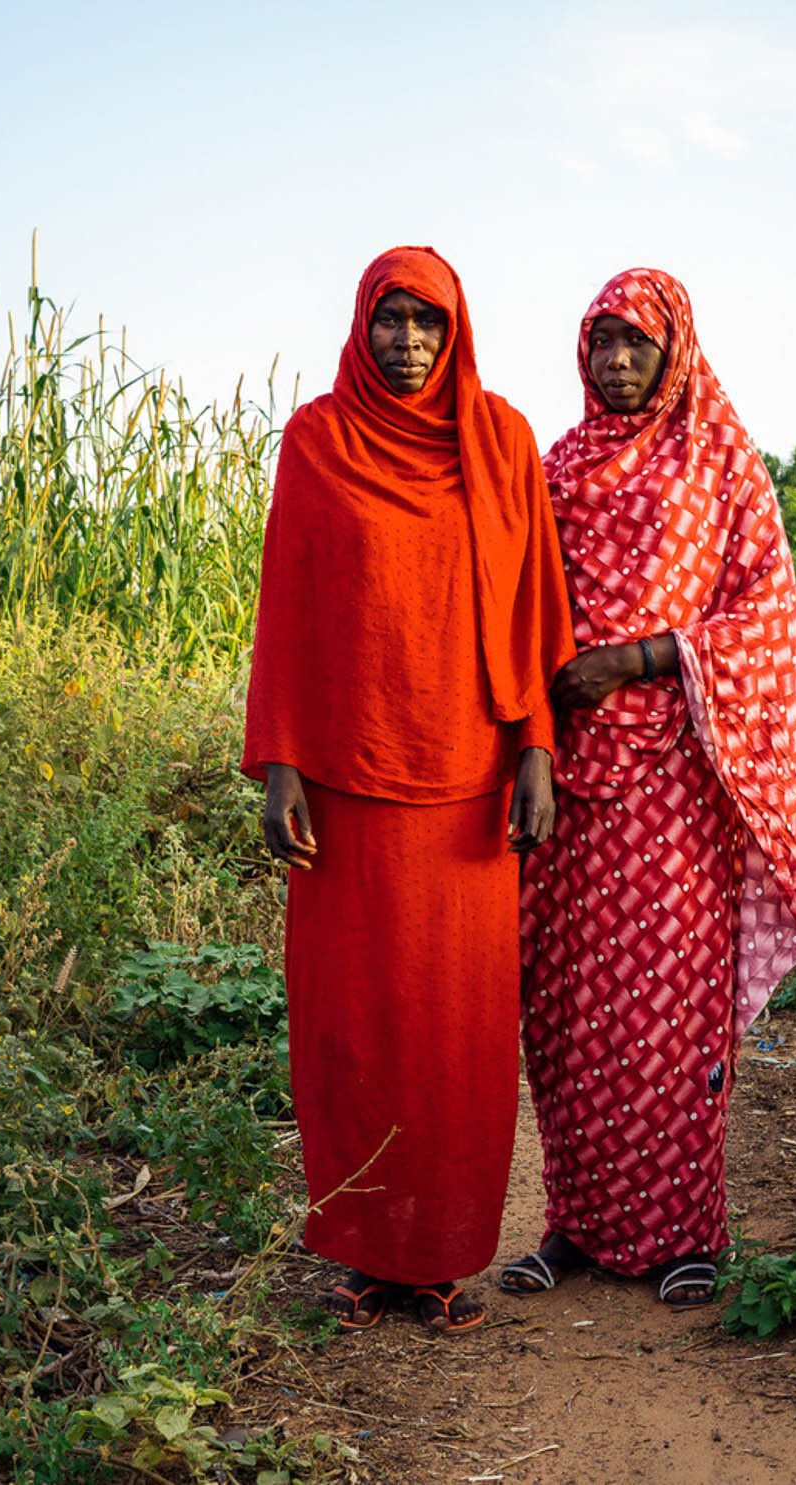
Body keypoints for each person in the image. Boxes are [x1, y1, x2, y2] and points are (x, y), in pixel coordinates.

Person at [242, 246, 575, 1332]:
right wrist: (280, 762)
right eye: (390, 320)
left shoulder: (502, 440)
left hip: (469, 786)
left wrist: (535, 748)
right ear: (360, 325)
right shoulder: (319, 440)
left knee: (454, 1031)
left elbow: (534, 603)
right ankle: (364, 1250)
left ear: (458, 331)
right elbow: (286, 601)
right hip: (346, 780)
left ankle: (436, 1259)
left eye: (428, 323)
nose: (408, 343)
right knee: (355, 1030)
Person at [506, 267, 796, 1306]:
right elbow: (519, 613)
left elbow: (765, 621)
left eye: (636, 342)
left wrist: (636, 660)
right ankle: (573, 1226)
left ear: (674, 348)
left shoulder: (721, 469)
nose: (618, 362)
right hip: (570, 780)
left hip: (678, 781)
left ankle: (686, 1234)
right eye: (601, 343)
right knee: (567, 1006)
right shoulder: (557, 469)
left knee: (668, 1006)